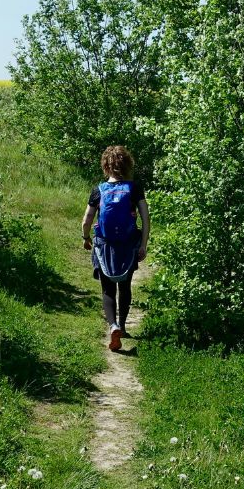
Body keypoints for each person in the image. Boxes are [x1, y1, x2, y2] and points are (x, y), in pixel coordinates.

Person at [81, 146, 150, 351]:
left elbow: (87, 220)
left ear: (106, 166)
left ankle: (112, 326)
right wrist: (143, 244)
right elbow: (146, 218)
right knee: (125, 286)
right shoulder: (134, 188)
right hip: (128, 245)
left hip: (104, 245)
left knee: (107, 289)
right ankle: (122, 325)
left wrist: (86, 238)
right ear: (128, 165)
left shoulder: (99, 189)